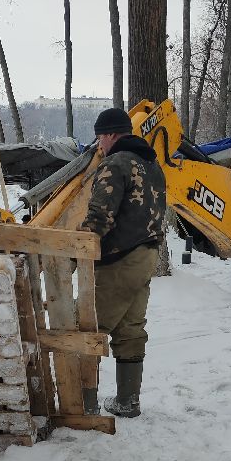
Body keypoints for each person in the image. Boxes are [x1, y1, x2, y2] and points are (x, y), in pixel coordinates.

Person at [79, 107, 167, 418]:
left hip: (119, 258)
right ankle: (128, 400)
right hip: (146, 256)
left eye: (100, 137)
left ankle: (82, 405)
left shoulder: (115, 163)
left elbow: (100, 216)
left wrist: (76, 249)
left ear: (111, 134)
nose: (99, 144)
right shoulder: (152, 164)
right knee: (130, 328)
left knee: (88, 327)